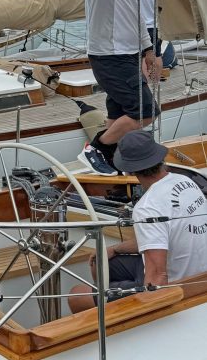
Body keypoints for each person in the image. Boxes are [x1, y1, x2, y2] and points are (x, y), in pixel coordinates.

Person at [68, 131, 207, 313]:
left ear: (129, 170)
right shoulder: (187, 182)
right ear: (159, 159)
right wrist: (115, 249)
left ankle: (118, 323)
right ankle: (110, 305)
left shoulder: (147, 207)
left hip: (177, 287)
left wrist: (152, 313)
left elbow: (158, 276)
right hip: (199, 276)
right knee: (100, 261)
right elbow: (166, 237)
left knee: (76, 296)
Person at [78, 0, 161, 176]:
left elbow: (136, 13)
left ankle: (113, 159)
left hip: (130, 54)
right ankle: (96, 150)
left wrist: (148, 49)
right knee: (145, 111)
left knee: (119, 112)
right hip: (109, 55)